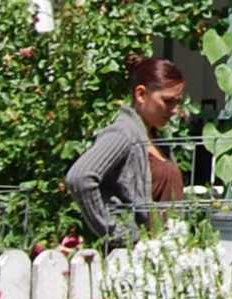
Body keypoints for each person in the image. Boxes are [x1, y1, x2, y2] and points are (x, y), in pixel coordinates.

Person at [67, 52, 191, 242]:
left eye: (178, 102)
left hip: (163, 255)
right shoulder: (124, 133)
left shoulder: (155, 137)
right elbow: (80, 178)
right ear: (141, 94)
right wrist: (118, 233)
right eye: (167, 101)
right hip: (134, 259)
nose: (175, 110)